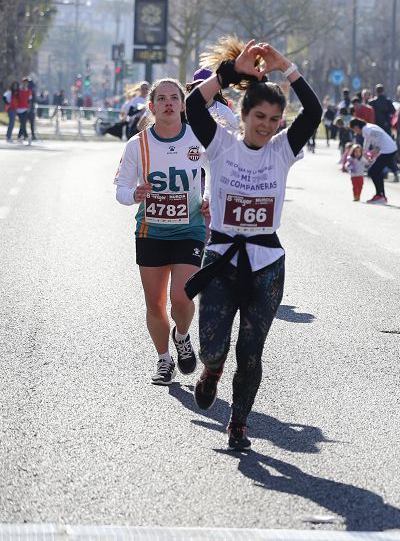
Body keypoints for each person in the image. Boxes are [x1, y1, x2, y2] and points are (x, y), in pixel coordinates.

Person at [182, 38, 322, 451]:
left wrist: (287, 67)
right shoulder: (220, 145)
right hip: (222, 257)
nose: (266, 124)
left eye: (274, 118)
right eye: (259, 116)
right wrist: (231, 71)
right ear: (242, 115)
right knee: (213, 346)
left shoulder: (282, 150)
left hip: (266, 264)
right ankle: (211, 371)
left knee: (251, 350)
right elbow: (193, 106)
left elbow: (313, 112)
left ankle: (238, 424)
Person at [114, 79, 206, 385]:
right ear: (151, 107)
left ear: (182, 104)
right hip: (150, 230)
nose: (168, 103)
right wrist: (134, 195)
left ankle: (181, 335)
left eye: (174, 98)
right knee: (154, 302)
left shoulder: (199, 138)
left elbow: (221, 173)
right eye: (161, 99)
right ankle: (164, 360)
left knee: (181, 297)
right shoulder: (137, 145)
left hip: (190, 228)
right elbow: (121, 189)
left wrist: (209, 202)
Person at [349, 117, 398, 205]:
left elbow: (379, 135)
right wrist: (365, 152)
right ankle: (381, 195)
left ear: (356, 127)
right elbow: (367, 141)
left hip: (387, 150)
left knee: (373, 171)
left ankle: (380, 195)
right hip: (388, 150)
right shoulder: (366, 129)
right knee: (376, 171)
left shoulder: (368, 129)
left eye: (354, 130)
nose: (355, 132)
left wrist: (377, 148)